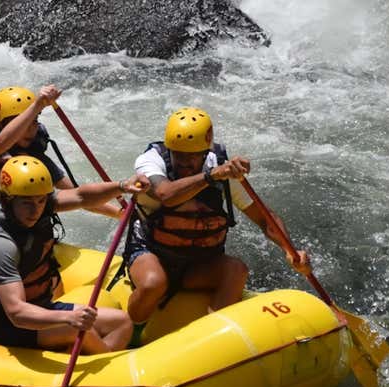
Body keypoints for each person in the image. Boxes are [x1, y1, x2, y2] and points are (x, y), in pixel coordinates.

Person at [124, 107, 311, 334]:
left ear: (205, 153)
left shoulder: (221, 169)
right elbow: (166, 195)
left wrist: (289, 249)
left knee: (236, 270)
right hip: (152, 252)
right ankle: (132, 332)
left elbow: (264, 217)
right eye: (179, 155)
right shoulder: (151, 162)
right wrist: (211, 176)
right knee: (154, 282)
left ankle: (211, 339)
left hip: (198, 262)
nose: (184, 162)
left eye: (192, 156)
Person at [0, 155, 149, 354]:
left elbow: (81, 196)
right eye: (27, 203)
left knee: (122, 323)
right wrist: (68, 318)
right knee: (79, 331)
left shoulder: (36, 203)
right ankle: (107, 371)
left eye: (41, 201)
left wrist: (122, 186)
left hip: (39, 307)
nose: (36, 210)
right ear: (8, 199)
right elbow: (16, 312)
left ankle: (87, 368)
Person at [0, 84, 119, 286]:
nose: (30, 129)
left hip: (26, 234)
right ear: (1, 124)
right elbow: (0, 144)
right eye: (21, 122)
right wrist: (37, 105)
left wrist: (119, 213)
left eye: (34, 122)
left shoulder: (35, 159)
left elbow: (77, 195)